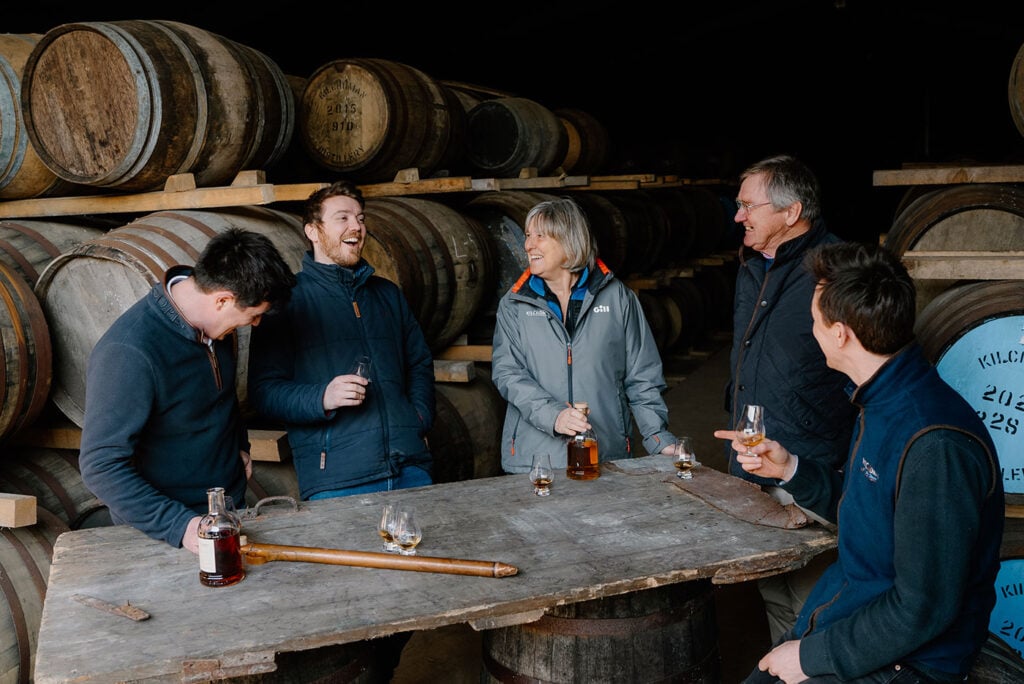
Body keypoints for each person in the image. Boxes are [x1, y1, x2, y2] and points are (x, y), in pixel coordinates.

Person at [716, 242, 1003, 684]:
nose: (810, 331)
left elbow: (922, 608)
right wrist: (791, 469)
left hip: (910, 661)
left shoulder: (934, 444)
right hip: (852, 616)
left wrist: (811, 657)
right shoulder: (880, 400)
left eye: (813, 321)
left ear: (841, 333)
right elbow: (866, 513)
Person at [79, 228, 297, 552]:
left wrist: (239, 446)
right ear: (223, 299)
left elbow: (221, 398)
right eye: (252, 316)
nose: (255, 324)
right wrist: (180, 526)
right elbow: (100, 465)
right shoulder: (129, 352)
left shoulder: (212, 329)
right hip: (169, 534)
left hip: (224, 510)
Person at [726, 154, 857, 640]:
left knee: (816, 606)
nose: (738, 216)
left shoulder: (836, 270)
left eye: (747, 205)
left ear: (791, 211)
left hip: (811, 466)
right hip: (754, 460)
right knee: (774, 594)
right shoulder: (751, 268)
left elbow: (864, 373)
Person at [247, 180, 435, 500]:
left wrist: (417, 417)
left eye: (360, 218)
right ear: (313, 231)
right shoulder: (287, 301)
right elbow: (263, 393)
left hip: (410, 468)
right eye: (343, 218)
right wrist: (323, 397)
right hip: (336, 480)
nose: (356, 226)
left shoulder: (387, 294)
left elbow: (419, 363)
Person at [491, 196, 679, 474]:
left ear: (569, 240)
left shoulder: (618, 298)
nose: (528, 245)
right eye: (528, 236)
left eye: (540, 236)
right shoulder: (515, 303)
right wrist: (553, 416)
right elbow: (508, 373)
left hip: (605, 454)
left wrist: (657, 438)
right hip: (535, 460)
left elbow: (642, 377)